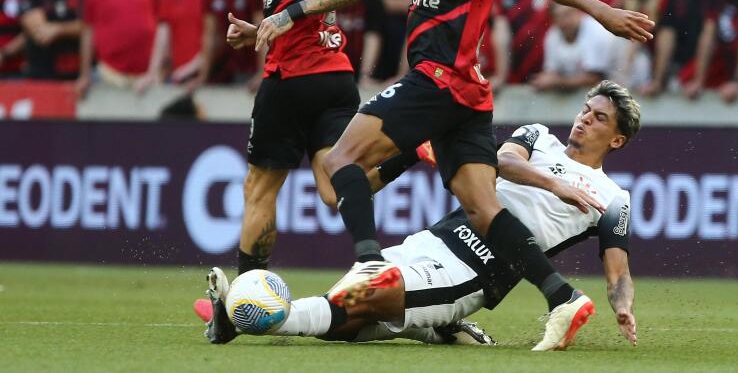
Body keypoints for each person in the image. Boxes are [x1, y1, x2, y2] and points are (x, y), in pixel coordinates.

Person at [297, 0, 652, 351]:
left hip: (439, 81)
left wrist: (603, 12)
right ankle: (562, 297)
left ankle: (368, 262)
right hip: (466, 98)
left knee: (339, 160)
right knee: (483, 208)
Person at [202, 82, 638, 350]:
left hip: (476, 271)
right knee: (346, 319)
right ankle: (436, 329)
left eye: (599, 118)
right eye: (585, 109)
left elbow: (617, 273)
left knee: (366, 297)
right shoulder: (538, 136)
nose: (585, 119)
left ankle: (244, 316)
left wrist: (623, 309)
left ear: (616, 141)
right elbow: (501, 161)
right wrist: (554, 184)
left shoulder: (613, 198)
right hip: (434, 238)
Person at [202, 0, 368, 337]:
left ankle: (236, 310)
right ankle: (405, 151)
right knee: (333, 189)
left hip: (293, 83)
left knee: (259, 190)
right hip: (332, 77)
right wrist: (262, 29)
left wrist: (286, 15)